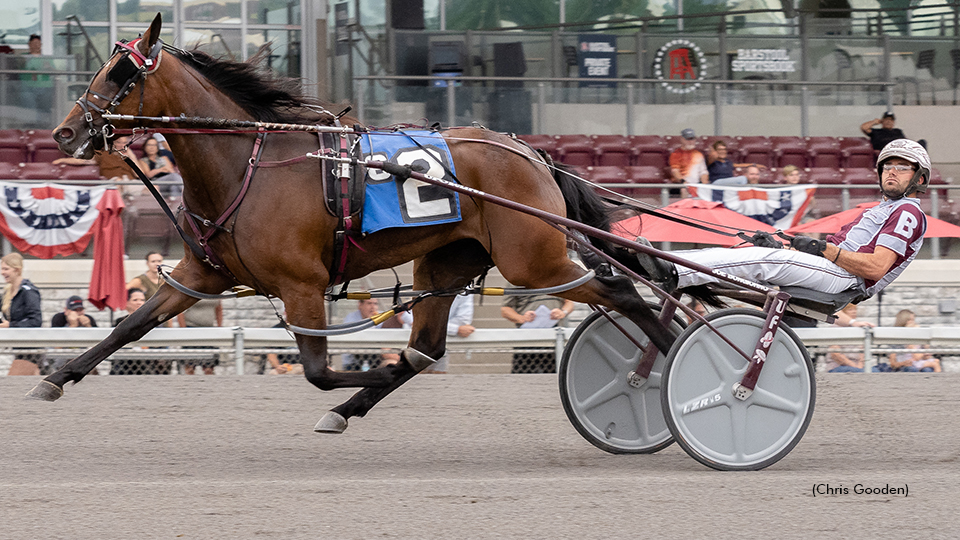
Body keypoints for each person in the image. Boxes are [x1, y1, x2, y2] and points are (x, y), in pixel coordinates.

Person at [637, 139, 930, 305]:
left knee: (765, 259)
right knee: (752, 252)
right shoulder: (881, 208)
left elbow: (877, 268)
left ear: (919, 178)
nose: (892, 172)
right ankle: (650, 264)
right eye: (887, 166)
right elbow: (837, 252)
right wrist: (793, 249)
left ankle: (671, 271)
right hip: (834, 269)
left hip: (847, 279)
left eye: (902, 167)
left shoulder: (908, 212)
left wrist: (821, 248)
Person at [501, 294, 575, 373]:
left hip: (553, 337)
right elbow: (505, 309)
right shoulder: (516, 282)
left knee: (556, 373)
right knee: (522, 374)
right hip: (527, 338)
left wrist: (563, 312)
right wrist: (522, 318)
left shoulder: (559, 281)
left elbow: (569, 302)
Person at [1, 252, 43, 375]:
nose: (2, 272)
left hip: (31, 349)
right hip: (19, 348)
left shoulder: (28, 291)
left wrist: (10, 326)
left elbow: (36, 321)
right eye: (2, 269)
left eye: (6, 269)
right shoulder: (7, 292)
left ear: (17, 270)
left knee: (10, 386)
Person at [111, 288, 169, 375]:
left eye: (142, 300)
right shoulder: (119, 322)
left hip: (149, 360)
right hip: (125, 360)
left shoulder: (154, 322)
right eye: (135, 300)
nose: (139, 303)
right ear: (127, 303)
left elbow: (162, 344)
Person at [340, 299, 401, 371]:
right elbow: (354, 337)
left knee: (392, 363)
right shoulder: (351, 318)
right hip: (355, 360)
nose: (373, 307)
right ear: (360, 305)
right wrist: (370, 322)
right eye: (369, 303)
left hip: (378, 358)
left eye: (375, 304)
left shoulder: (383, 316)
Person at [430, 292, 475, 374]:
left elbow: (463, 319)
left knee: (438, 376)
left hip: (441, 344)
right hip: (415, 342)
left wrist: (440, 326)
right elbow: (423, 322)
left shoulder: (466, 290)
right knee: (415, 375)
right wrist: (455, 329)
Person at [176, 299, 224, 375]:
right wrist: (184, 330)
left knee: (209, 367)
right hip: (191, 330)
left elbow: (218, 309)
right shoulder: (191, 290)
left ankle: (209, 385)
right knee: (190, 367)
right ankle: (189, 385)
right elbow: (180, 312)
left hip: (209, 331)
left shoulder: (216, 292)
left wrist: (219, 327)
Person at [823, 304, 871, 373]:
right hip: (839, 366)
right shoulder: (835, 328)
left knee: (875, 371)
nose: (854, 312)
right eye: (850, 309)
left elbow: (862, 351)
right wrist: (854, 366)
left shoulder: (858, 329)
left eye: (855, 309)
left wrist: (860, 366)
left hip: (858, 366)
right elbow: (835, 354)